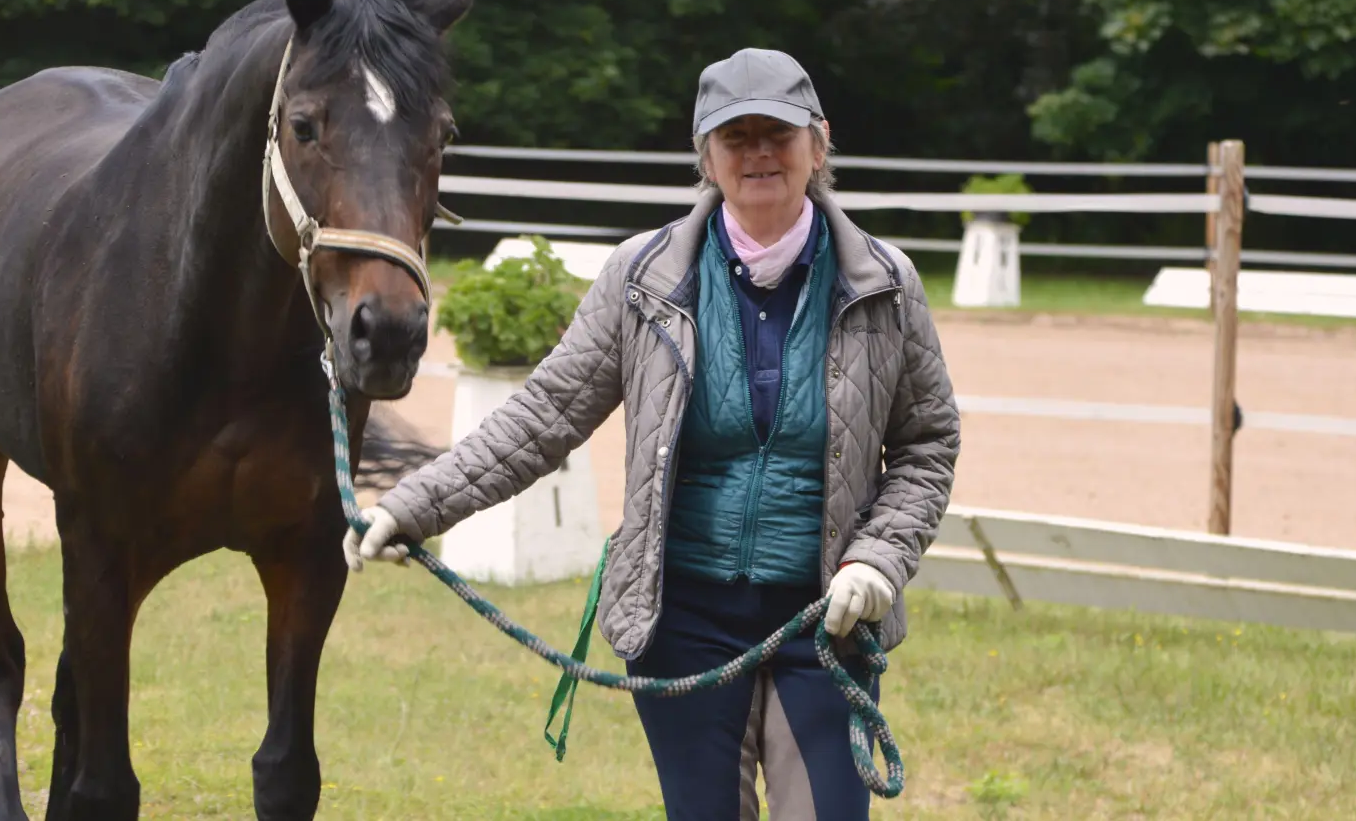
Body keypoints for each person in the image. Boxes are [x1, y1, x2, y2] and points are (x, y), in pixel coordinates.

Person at [346, 47, 961, 820]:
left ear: (820, 143)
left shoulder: (884, 282)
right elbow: (544, 414)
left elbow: (927, 446)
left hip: (825, 621)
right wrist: (414, 505)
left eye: (779, 133)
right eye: (737, 138)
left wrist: (878, 559)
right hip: (685, 621)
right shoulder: (642, 280)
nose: (760, 154)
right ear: (706, 156)